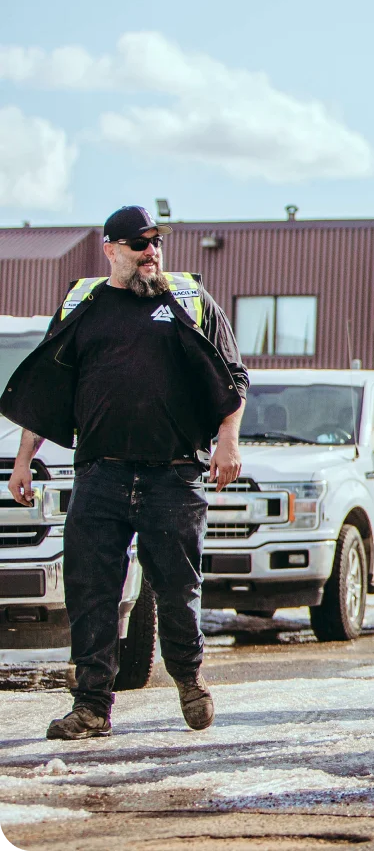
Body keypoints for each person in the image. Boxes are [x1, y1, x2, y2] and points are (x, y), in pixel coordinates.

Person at [2, 205, 247, 740]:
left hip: (173, 477)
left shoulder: (187, 301)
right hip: (100, 476)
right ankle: (92, 706)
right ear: (110, 250)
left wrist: (227, 441)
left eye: (155, 243)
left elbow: (233, 376)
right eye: (138, 245)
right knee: (91, 591)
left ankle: (188, 679)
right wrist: (25, 458)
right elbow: (51, 389)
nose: (150, 253)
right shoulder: (83, 305)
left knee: (177, 591)